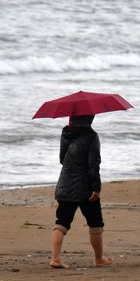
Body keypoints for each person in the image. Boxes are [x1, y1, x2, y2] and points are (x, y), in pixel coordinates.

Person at [49, 115, 113, 269]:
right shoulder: (91, 136)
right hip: (85, 187)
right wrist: (96, 188)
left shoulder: (66, 133)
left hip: (66, 184)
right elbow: (94, 164)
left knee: (62, 222)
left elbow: (62, 159)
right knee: (95, 223)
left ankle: (55, 258)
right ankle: (99, 258)